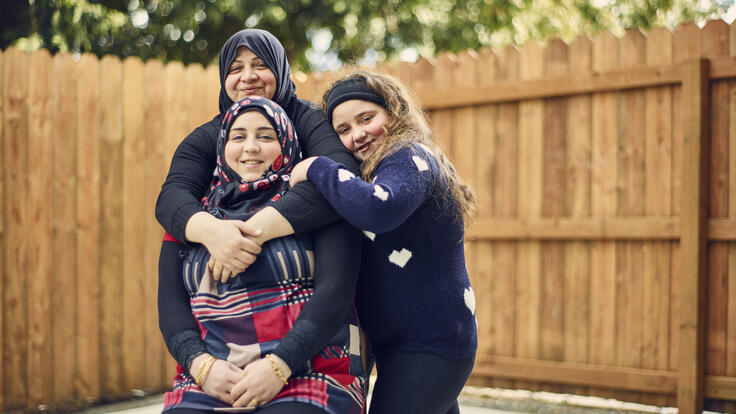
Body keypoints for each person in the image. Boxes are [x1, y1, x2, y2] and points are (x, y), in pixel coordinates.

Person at [155, 29, 363, 409]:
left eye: (260, 65)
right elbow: (171, 201)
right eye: (235, 68)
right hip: (218, 371)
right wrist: (214, 232)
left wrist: (247, 234)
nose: (247, 76)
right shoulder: (209, 142)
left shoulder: (310, 123)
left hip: (310, 365)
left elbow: (340, 181)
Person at [289, 71, 478, 414]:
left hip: (430, 344)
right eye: (343, 130)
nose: (358, 134)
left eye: (367, 118)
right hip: (404, 347)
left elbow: (380, 207)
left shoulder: (409, 156)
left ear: (393, 112)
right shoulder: (370, 175)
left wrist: (319, 167)